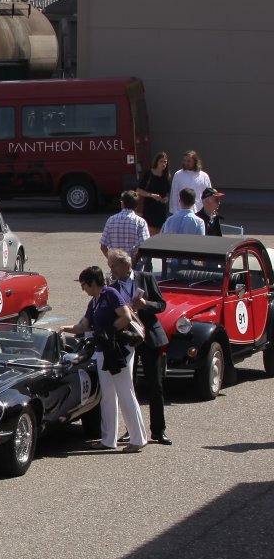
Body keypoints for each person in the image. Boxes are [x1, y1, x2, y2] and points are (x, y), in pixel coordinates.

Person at [64, 264, 148, 452]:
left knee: (125, 392)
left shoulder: (110, 294)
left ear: (93, 283)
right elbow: (82, 326)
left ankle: (138, 438)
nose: (83, 289)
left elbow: (125, 316)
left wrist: (109, 331)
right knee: (108, 396)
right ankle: (109, 439)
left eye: (84, 284)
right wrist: (62, 329)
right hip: (103, 350)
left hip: (119, 350)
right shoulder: (94, 301)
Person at [108, 249, 170, 445]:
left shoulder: (146, 278)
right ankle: (132, 430)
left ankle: (158, 430)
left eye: (113, 266)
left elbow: (161, 305)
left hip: (149, 337)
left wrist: (145, 305)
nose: (111, 270)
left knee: (155, 384)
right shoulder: (113, 287)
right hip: (127, 338)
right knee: (130, 386)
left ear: (125, 265)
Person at [99, 190, 150, 259]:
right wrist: (134, 261)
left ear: (122, 203)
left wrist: (111, 260)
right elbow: (145, 246)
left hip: (115, 262)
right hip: (133, 262)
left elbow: (103, 246)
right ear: (136, 205)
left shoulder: (111, 220)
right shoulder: (140, 222)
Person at [139, 152, 171, 233]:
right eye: (161, 161)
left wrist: (166, 198)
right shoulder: (148, 174)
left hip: (161, 209)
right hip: (149, 208)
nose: (163, 164)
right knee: (150, 232)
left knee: (161, 231)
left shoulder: (166, 176)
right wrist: (151, 195)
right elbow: (139, 190)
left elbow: (167, 191)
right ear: (156, 162)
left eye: (165, 162)